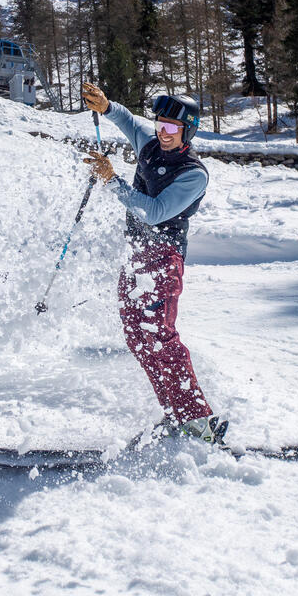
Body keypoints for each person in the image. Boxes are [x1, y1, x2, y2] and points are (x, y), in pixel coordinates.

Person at [80, 81, 227, 446]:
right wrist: (106, 105)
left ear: (187, 131)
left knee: (159, 333)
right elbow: (129, 122)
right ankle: (176, 413)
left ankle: (198, 418)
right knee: (136, 334)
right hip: (135, 256)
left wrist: (112, 180)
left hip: (163, 257)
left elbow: (154, 212)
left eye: (171, 128)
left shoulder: (194, 174)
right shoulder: (151, 140)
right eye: (160, 125)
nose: (163, 133)